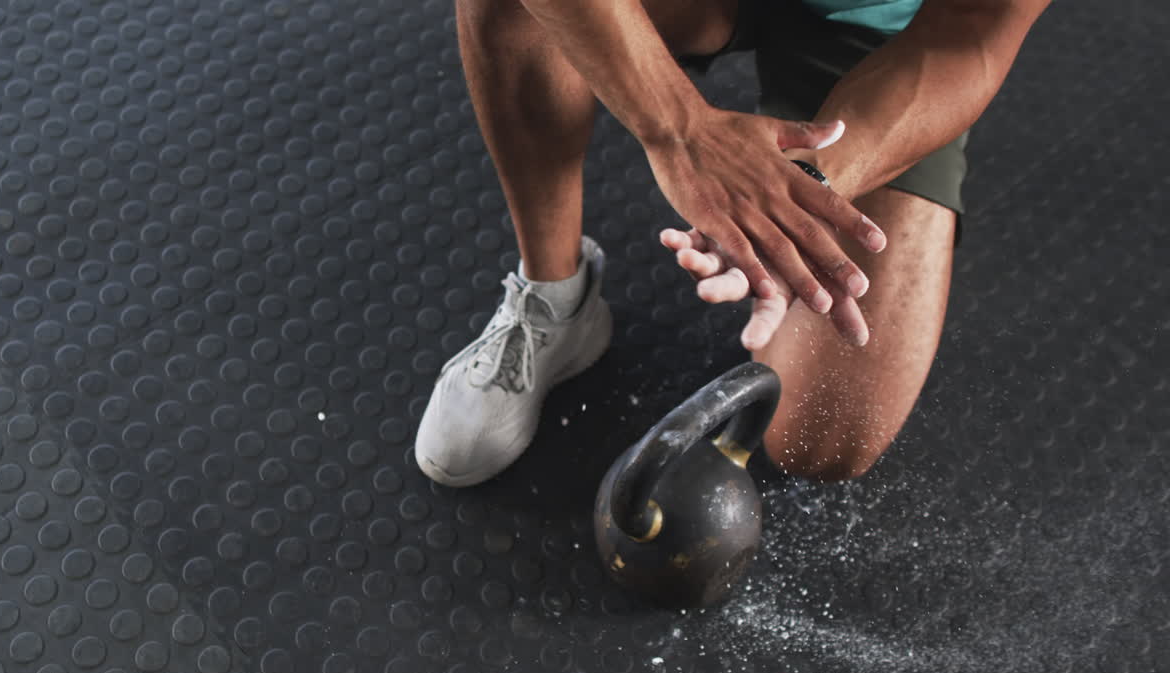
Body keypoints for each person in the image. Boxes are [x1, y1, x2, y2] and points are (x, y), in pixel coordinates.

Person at [414, 0, 1051, 487]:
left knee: (821, 440)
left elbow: (973, 27)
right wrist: (678, 128)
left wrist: (803, 193)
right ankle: (554, 298)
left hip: (873, 26)